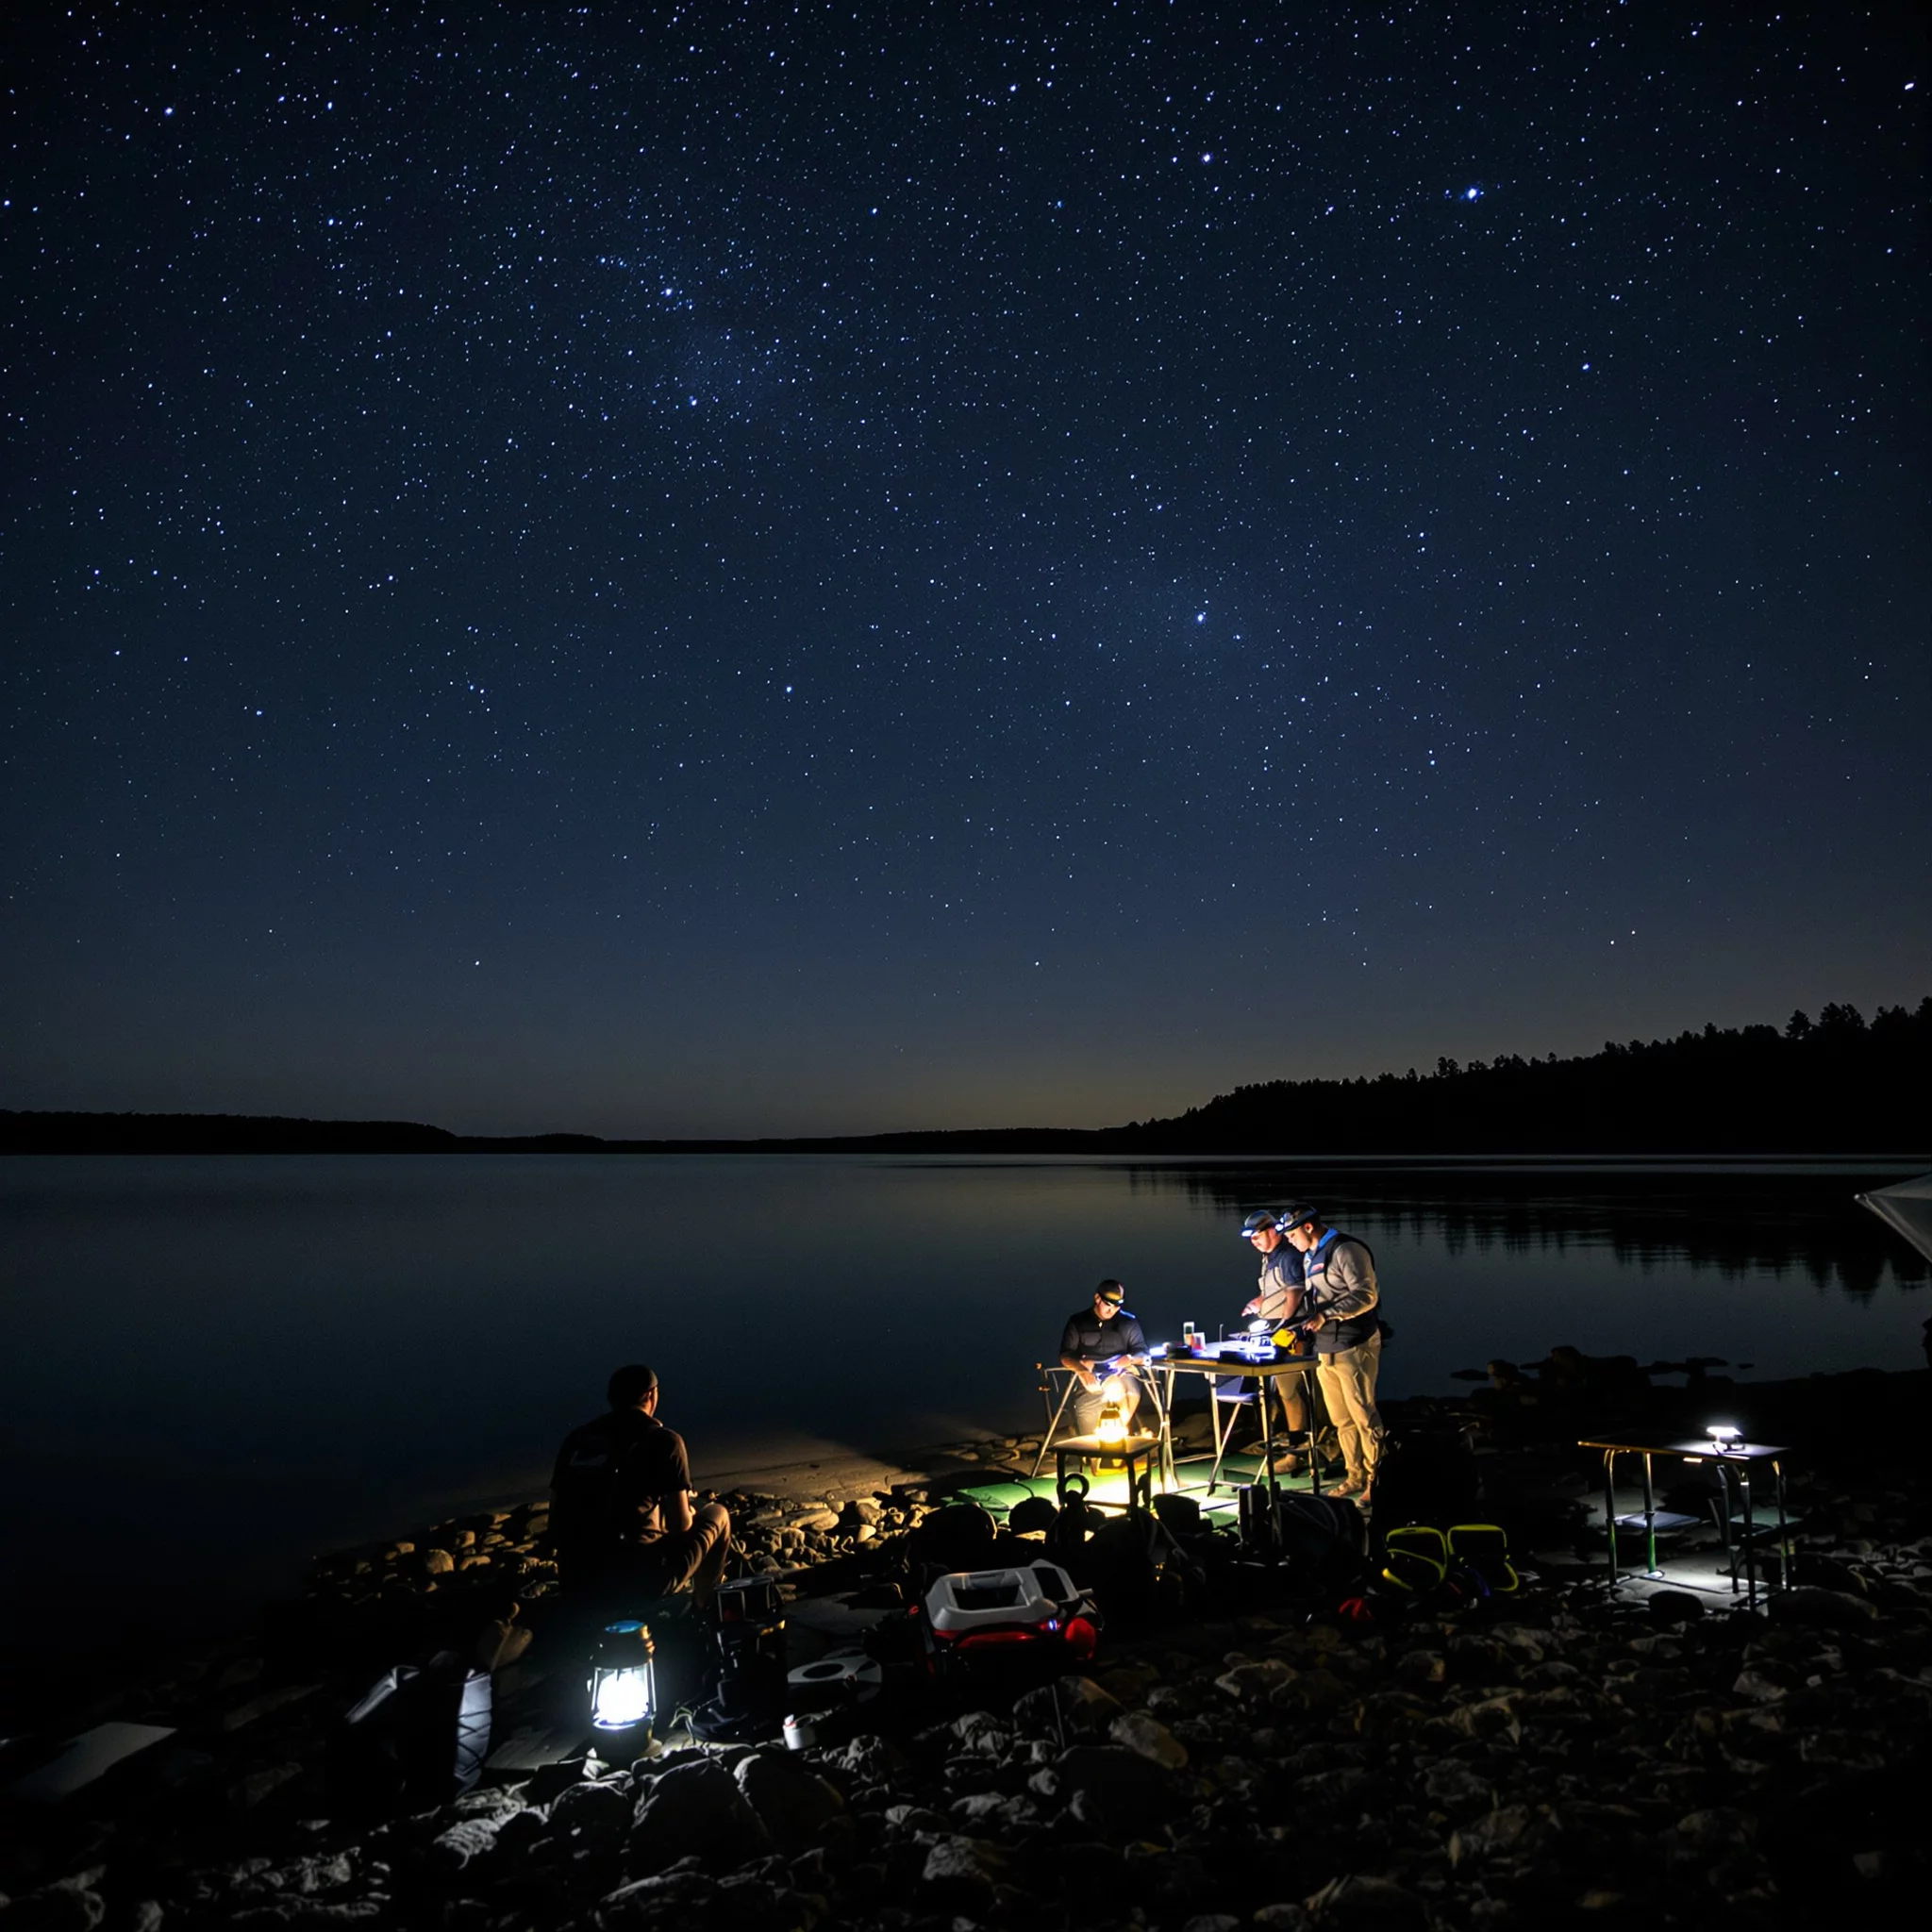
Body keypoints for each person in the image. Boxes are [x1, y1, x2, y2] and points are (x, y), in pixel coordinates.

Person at [549, 1364, 732, 1614]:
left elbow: (555, 1523)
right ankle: (703, 1609)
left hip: (577, 1584)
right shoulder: (664, 1440)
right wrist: (684, 1508)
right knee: (718, 1514)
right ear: (650, 1395)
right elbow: (681, 1525)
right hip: (641, 1583)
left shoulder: (576, 1440)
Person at [1279, 1207, 1384, 1502]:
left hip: (1355, 1344)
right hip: (1325, 1348)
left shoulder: (1346, 1250)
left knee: (1363, 1414)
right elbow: (1316, 1300)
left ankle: (1377, 1480)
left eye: (1292, 1233)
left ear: (1309, 1227)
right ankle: (1354, 1476)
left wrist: (1328, 1315)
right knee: (1341, 1419)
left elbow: (1366, 1295)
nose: (1289, 1240)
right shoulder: (1310, 1255)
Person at [1238, 1208, 1312, 1464]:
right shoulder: (1269, 1257)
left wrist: (1284, 1324)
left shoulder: (1288, 1256)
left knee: (1289, 1391)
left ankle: (1297, 1450)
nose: (1253, 1243)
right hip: (1274, 1329)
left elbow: (1295, 1293)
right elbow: (1276, 1291)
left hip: (1290, 1334)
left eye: (1257, 1237)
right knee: (1279, 1392)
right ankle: (1291, 1440)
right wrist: (1258, 1303)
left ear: (1272, 1231)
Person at [1058, 1279, 1149, 1435]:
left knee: (1128, 1391)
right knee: (1089, 1427)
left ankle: (1113, 1438)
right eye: (1108, 1304)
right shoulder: (1078, 1322)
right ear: (1097, 1298)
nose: (1112, 1310)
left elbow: (1143, 1352)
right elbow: (1066, 1355)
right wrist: (1081, 1369)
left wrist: (1130, 1358)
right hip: (1090, 1374)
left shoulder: (1128, 1322)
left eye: (1117, 1305)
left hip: (1121, 1372)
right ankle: (1098, 1449)